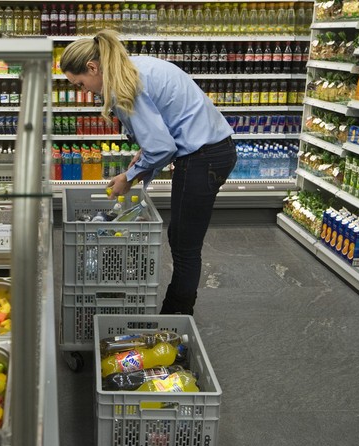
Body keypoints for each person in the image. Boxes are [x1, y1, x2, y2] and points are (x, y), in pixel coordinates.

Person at [60, 29, 237, 315]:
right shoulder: (132, 66)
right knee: (183, 238)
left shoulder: (122, 85)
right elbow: (164, 122)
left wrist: (130, 177)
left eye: (80, 83)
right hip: (212, 152)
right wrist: (146, 153)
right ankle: (176, 311)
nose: (85, 91)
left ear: (92, 67)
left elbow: (164, 147)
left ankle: (176, 317)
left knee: (184, 243)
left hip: (204, 157)